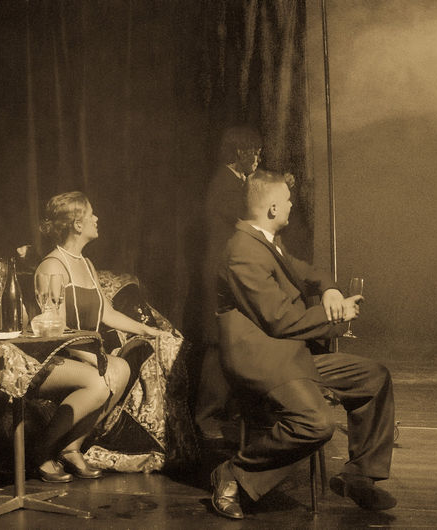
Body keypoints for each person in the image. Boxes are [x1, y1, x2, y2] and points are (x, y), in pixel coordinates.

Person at [210, 169, 396, 519]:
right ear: (272, 208)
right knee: (317, 422)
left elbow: (308, 272)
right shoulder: (242, 251)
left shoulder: (267, 242)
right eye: (288, 200)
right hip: (263, 361)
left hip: (292, 354)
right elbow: (279, 320)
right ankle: (234, 472)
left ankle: (358, 477)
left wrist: (331, 290)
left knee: (374, 378)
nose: (292, 205)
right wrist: (336, 315)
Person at [32, 191, 167, 482]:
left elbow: (106, 312)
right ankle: (40, 452)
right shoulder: (52, 266)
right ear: (77, 224)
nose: (97, 218)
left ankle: (71, 448)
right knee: (102, 379)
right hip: (54, 355)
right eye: (91, 213)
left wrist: (146, 330)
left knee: (122, 369)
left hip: (86, 352)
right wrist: (95, 359)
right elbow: (54, 329)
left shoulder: (86, 263)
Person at [196, 125, 262, 441]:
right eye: (255, 153)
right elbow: (248, 218)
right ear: (240, 152)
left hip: (231, 270)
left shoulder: (237, 182)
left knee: (232, 340)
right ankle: (206, 417)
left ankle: (229, 414)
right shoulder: (224, 184)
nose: (258, 158)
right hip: (221, 272)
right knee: (218, 341)